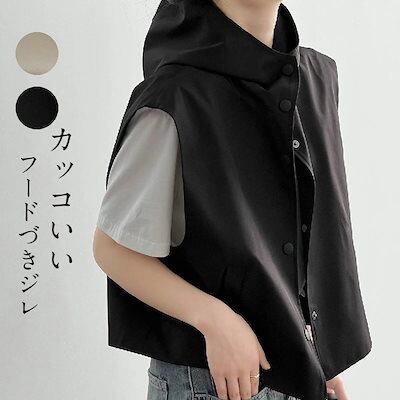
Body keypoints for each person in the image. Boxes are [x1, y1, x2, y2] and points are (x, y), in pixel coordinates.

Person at [92, 1, 372, 400]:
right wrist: (215, 320)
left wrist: (314, 360)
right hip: (212, 381)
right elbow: (113, 248)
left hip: (295, 371)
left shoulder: (316, 77)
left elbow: (299, 238)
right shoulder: (176, 94)